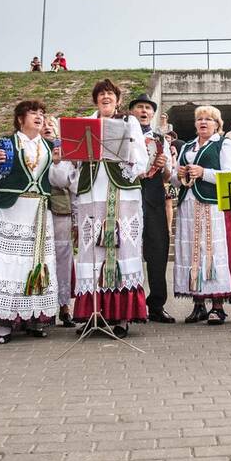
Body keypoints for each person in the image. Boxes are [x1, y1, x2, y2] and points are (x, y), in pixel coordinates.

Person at [50, 79, 149, 337]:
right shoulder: (83, 124)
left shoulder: (130, 122)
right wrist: (63, 160)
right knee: (91, 252)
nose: (106, 97)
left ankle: (121, 316)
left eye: (110, 94)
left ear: (117, 99)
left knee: (123, 247)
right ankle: (92, 313)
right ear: (96, 100)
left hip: (121, 195)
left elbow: (141, 158)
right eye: (101, 94)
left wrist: (128, 162)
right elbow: (69, 170)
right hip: (90, 196)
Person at [0, 100, 60, 343]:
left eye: (42, 113)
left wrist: (61, 162)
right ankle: (5, 323)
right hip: (12, 210)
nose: (39, 116)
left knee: (35, 263)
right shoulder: (5, 143)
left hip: (39, 211)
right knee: (8, 265)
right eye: (33, 113)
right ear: (20, 118)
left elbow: (57, 179)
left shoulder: (49, 145)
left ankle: (33, 318)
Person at [172, 104, 231, 324]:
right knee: (191, 252)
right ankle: (198, 304)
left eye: (208, 119)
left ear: (217, 124)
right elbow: (175, 179)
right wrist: (181, 174)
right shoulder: (187, 147)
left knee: (211, 252)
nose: (203, 122)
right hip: (188, 205)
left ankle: (218, 306)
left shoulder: (224, 144)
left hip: (212, 205)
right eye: (200, 119)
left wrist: (204, 173)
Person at [129, 93, 176, 324]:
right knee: (128, 251)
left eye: (148, 108)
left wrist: (164, 165)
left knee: (158, 252)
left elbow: (168, 176)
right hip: (128, 195)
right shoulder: (124, 135)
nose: (144, 111)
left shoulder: (160, 139)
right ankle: (130, 304)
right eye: (140, 107)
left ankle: (156, 305)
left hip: (154, 196)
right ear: (132, 111)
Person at [44, 116, 75, 327]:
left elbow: (68, 183)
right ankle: (44, 309)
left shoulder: (65, 152)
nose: (47, 128)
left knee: (63, 260)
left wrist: (57, 162)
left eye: (51, 125)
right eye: (44, 124)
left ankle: (64, 306)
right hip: (38, 210)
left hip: (60, 210)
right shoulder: (33, 150)